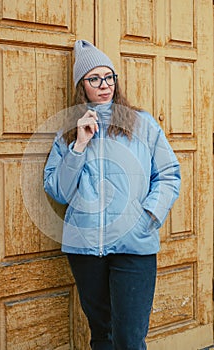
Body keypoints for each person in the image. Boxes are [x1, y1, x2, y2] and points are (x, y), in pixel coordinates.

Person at [44, 40, 181, 350]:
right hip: (84, 249)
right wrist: (79, 145)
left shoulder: (143, 124)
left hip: (134, 246)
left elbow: (169, 174)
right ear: (82, 85)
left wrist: (147, 216)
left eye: (109, 77)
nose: (104, 85)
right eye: (94, 79)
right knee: (102, 336)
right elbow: (59, 191)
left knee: (130, 339)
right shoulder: (67, 132)